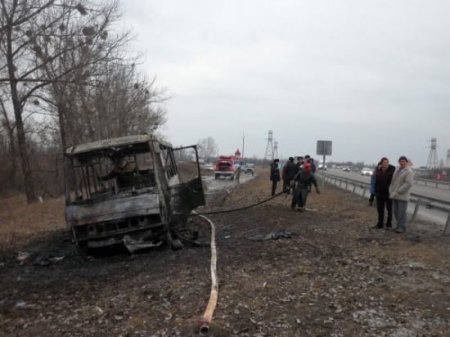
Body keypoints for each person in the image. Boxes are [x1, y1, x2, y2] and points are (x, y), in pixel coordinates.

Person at [389, 156, 414, 233]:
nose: (402, 162)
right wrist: (391, 189)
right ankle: (398, 225)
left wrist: (399, 191)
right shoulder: (398, 169)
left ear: (406, 162)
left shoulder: (409, 171)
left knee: (401, 212)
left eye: (403, 161)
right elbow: (393, 181)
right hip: (395, 194)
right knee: (395, 211)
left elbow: (408, 183)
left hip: (402, 195)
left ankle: (402, 227)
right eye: (400, 161)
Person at [373, 157, 396, 229]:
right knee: (380, 209)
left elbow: (394, 169)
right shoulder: (378, 170)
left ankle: (389, 224)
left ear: (388, 163)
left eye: (387, 163)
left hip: (388, 193)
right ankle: (380, 224)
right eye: (384, 163)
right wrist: (378, 168)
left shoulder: (392, 170)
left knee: (389, 209)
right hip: (379, 193)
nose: (385, 164)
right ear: (381, 163)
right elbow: (375, 178)